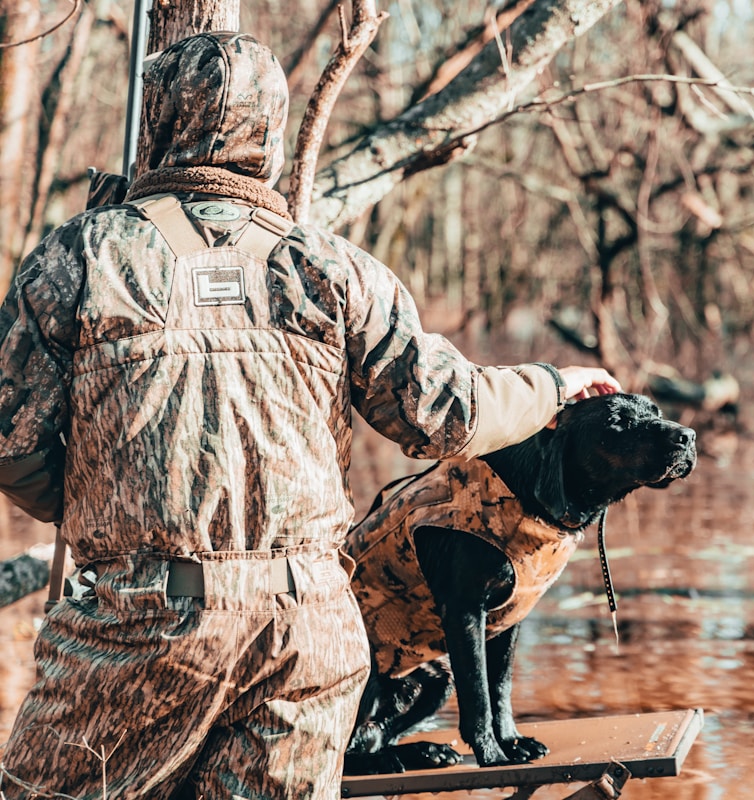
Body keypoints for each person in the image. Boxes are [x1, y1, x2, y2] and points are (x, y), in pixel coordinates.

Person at [0, 31, 619, 800]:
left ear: (155, 122)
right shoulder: (335, 268)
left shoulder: (79, 257)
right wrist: (557, 386)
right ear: (272, 133)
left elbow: (13, 450)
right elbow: (449, 416)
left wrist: (102, 502)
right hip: (308, 634)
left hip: (140, 619)